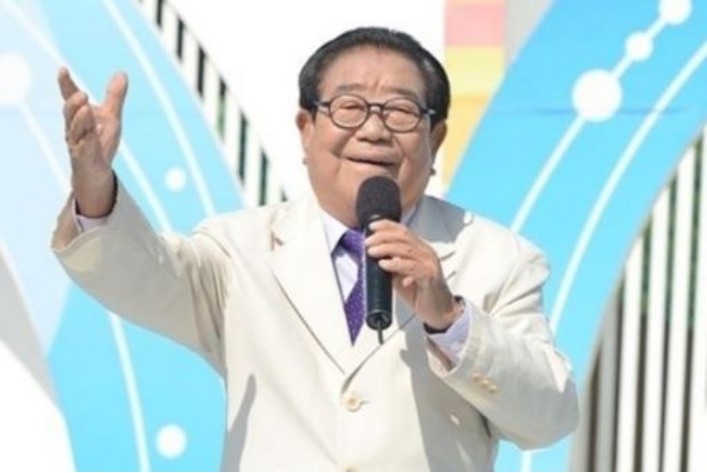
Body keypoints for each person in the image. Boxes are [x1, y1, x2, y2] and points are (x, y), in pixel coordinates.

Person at [52, 26, 578, 471]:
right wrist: (93, 183)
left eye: (400, 111)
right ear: (306, 129)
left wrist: (451, 321)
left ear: (434, 138)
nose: (373, 130)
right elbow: (138, 276)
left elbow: (549, 417)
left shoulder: (499, 257)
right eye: (349, 107)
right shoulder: (239, 250)